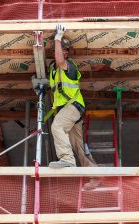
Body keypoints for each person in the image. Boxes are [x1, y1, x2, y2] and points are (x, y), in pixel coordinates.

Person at [48, 24, 98, 175]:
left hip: (73, 106)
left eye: (65, 50)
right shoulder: (53, 69)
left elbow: (59, 60)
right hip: (70, 110)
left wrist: (57, 38)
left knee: (56, 127)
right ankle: (95, 174)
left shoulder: (69, 66)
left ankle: (67, 159)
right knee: (78, 146)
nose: (64, 52)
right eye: (61, 49)